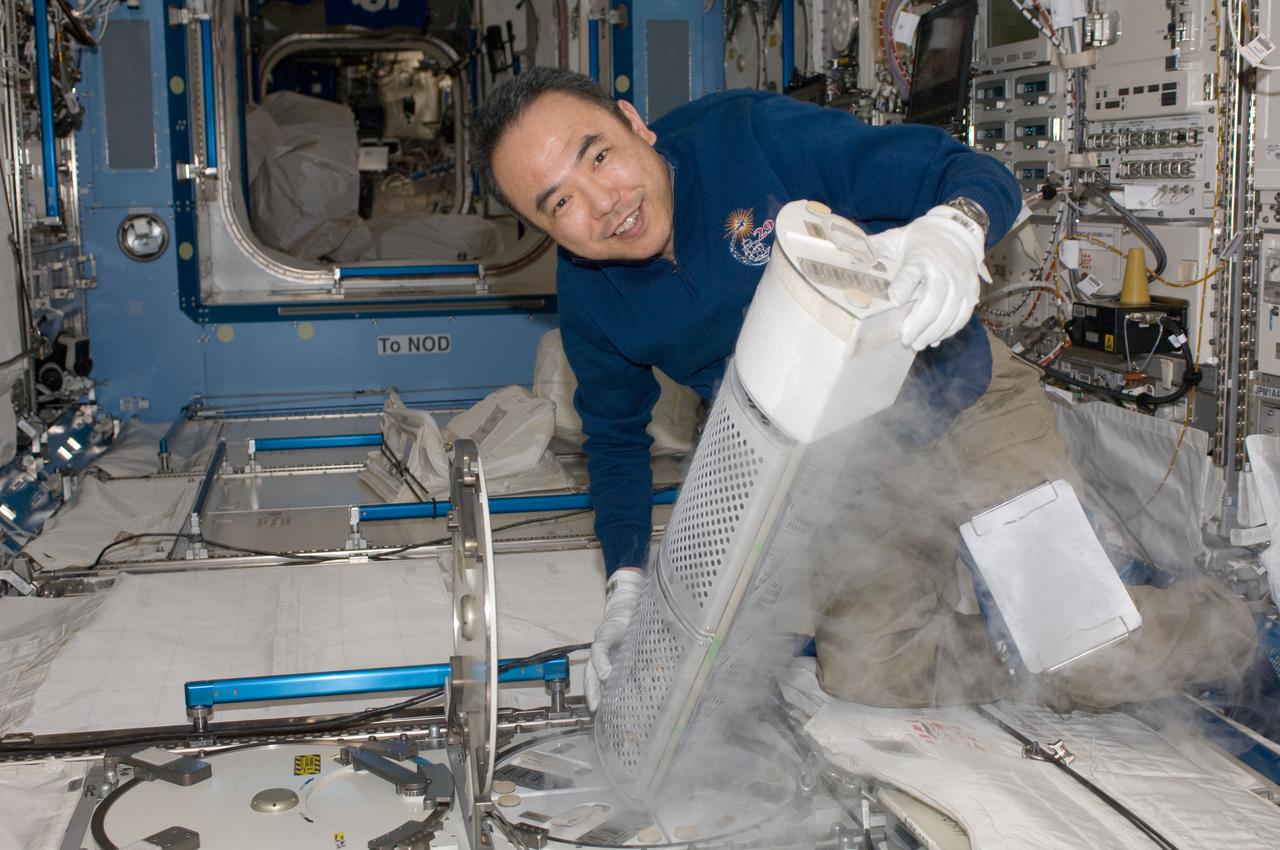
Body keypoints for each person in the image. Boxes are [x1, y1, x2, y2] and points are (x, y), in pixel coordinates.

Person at [470, 67, 1256, 711]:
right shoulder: (591, 297)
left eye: (597, 156)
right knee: (868, 676)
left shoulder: (747, 137)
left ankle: (1227, 623)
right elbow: (614, 440)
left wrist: (954, 229)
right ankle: (1030, 653)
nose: (602, 203)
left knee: (1087, 657)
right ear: (542, 229)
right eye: (559, 202)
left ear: (636, 123)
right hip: (846, 471)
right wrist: (626, 583)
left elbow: (967, 172)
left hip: (965, 405)